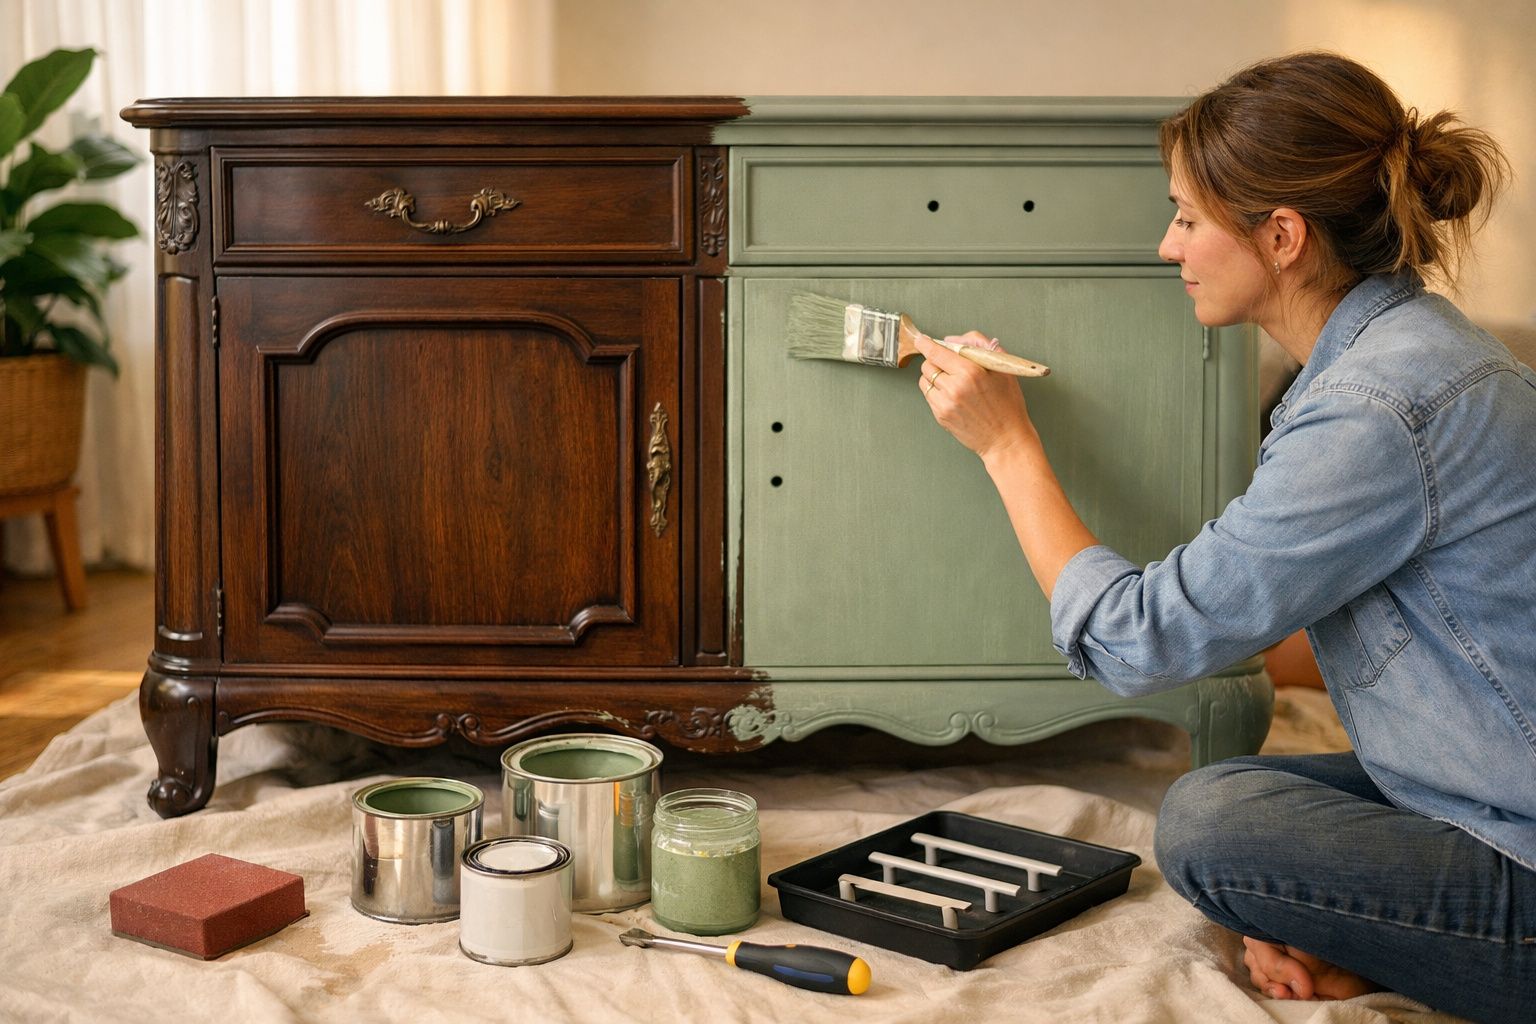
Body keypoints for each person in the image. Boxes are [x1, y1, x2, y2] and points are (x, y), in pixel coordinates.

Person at [912, 51, 1533, 1024]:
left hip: (1523, 852)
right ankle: (1383, 946)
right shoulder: (1407, 348)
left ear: (1282, 235)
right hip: (1481, 781)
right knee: (1239, 784)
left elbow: (1135, 640)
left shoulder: (1377, 408)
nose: (1170, 246)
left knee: (1207, 824)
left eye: (1189, 218)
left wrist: (1006, 446)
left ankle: (1430, 956)